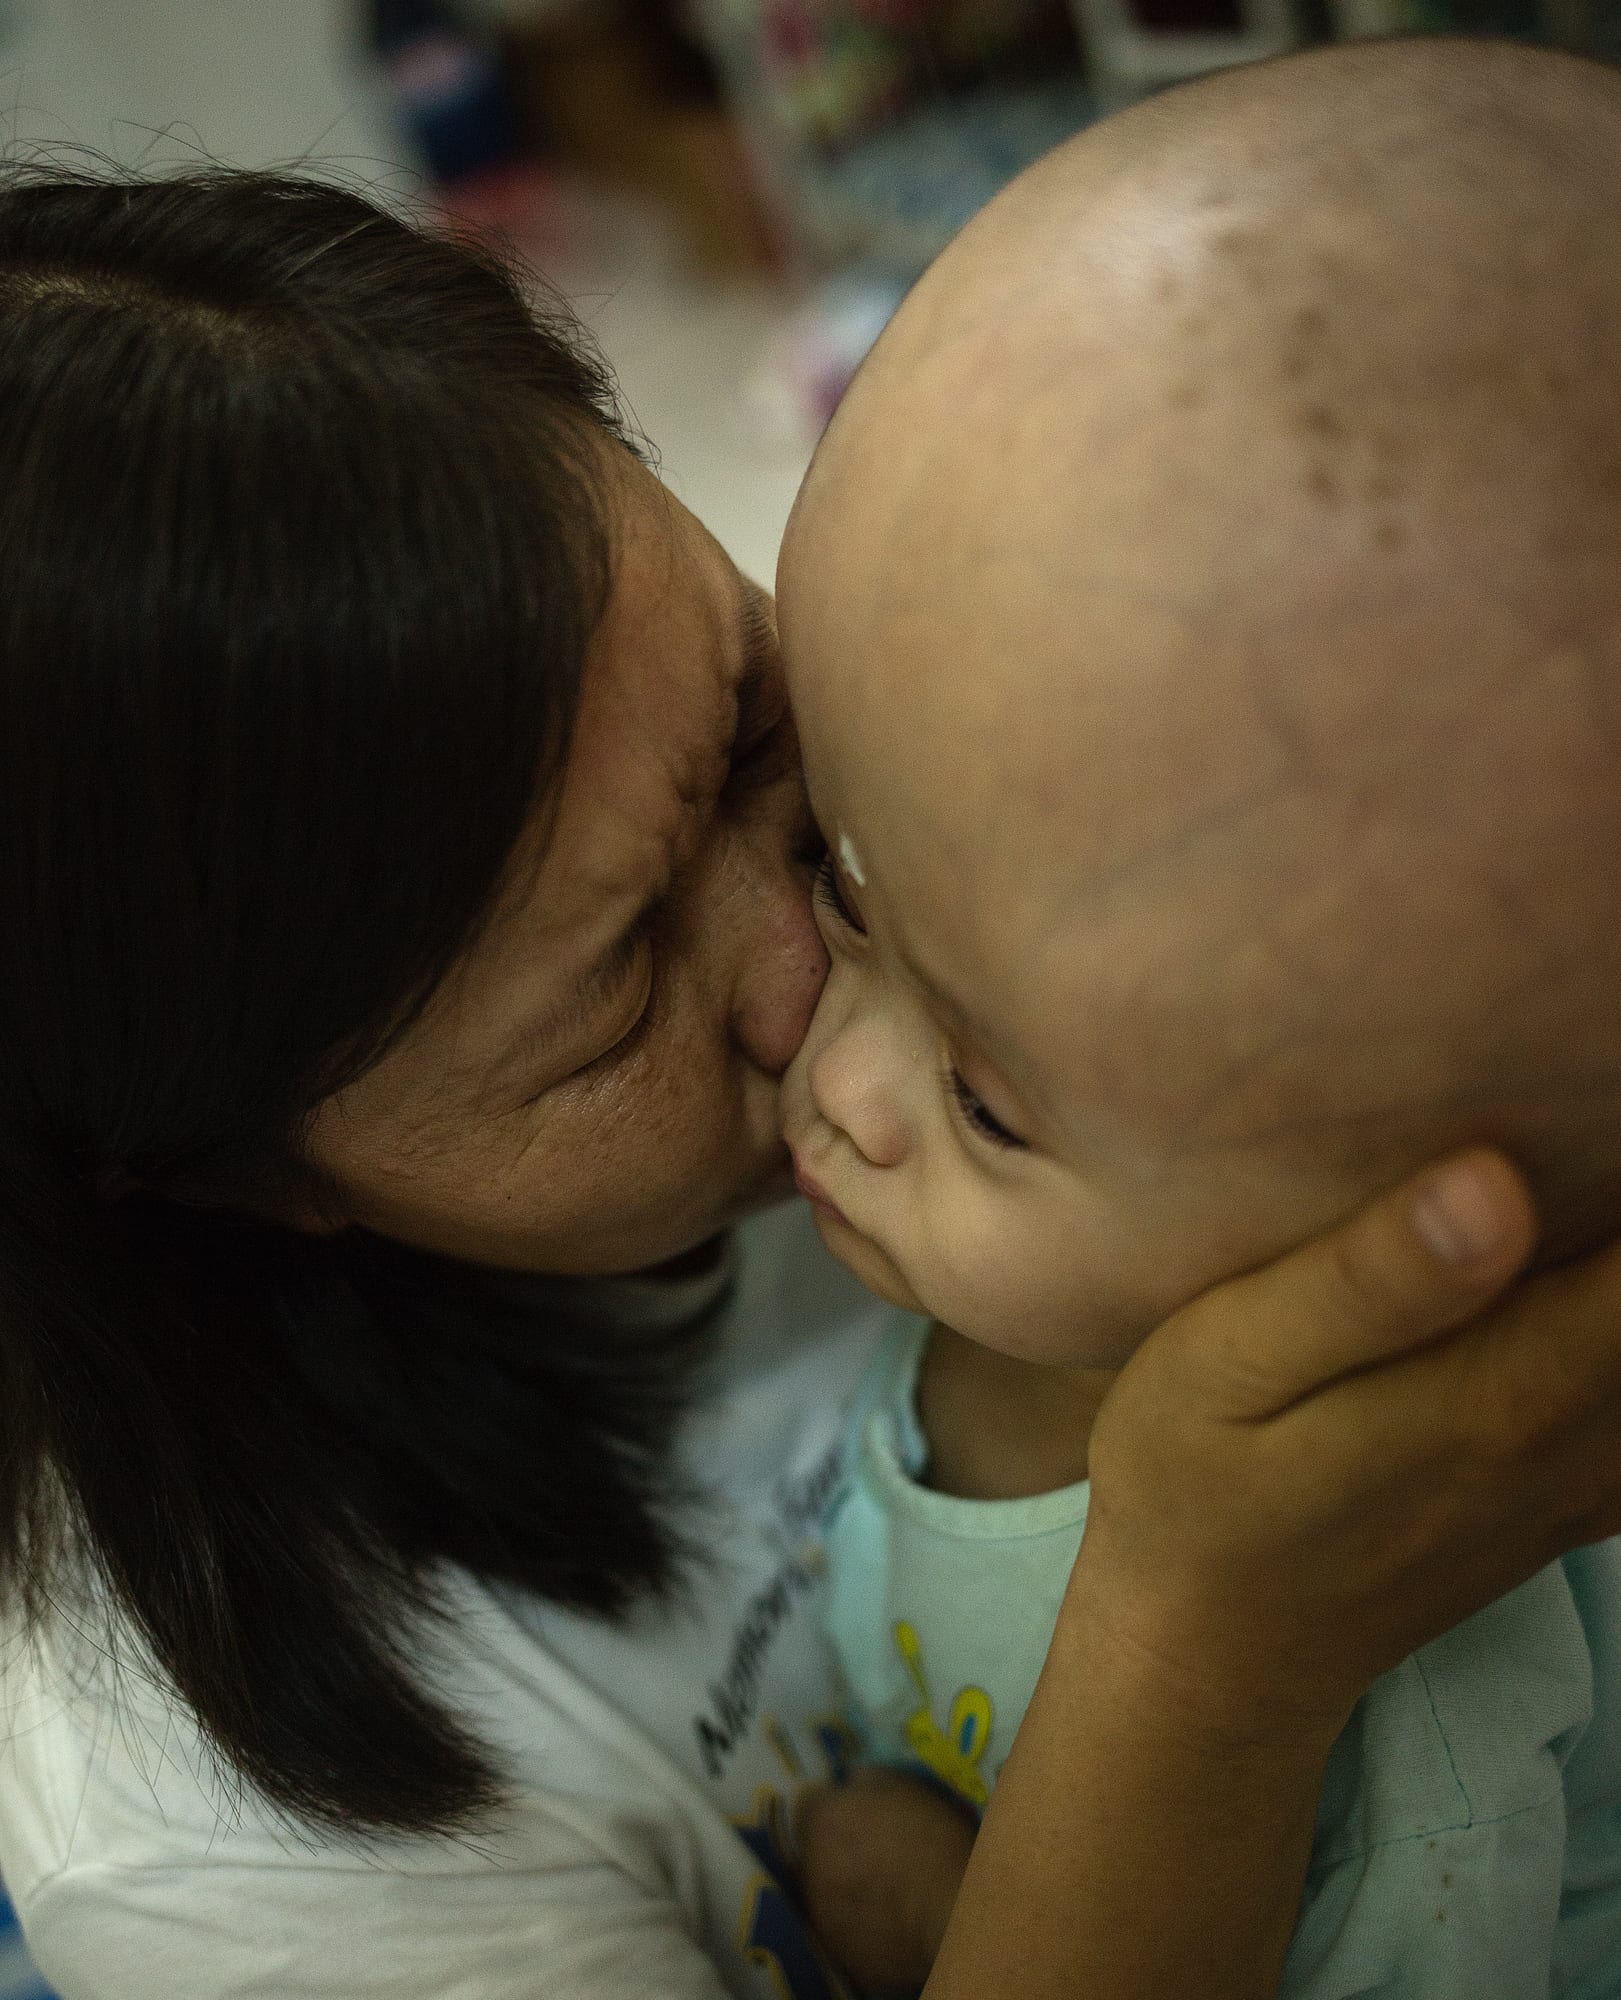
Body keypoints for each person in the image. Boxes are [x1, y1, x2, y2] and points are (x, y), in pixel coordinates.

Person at [1, 143, 1621, 2000]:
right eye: (612, 1005)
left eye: (754, 726)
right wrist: (1206, 1653)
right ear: (242, 1175)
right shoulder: (228, 1856)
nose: (835, 984)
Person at [777, 33, 1621, 2000]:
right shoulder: (1101, 1177)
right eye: (838, 879)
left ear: (1446, 1255)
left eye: (982, 1101)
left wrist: (909, 1898)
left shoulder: (1397, 1672)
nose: (829, 1074)